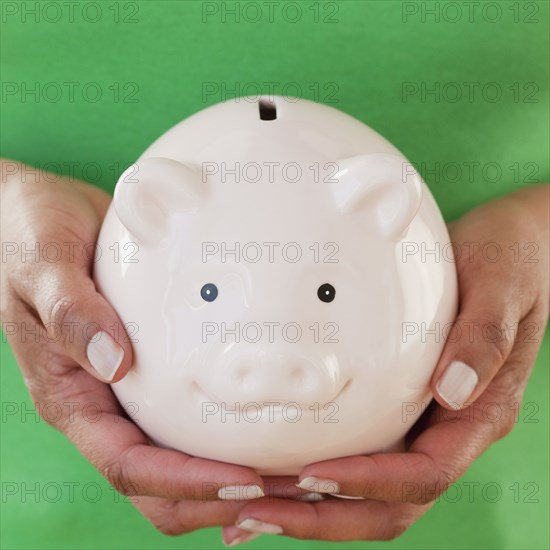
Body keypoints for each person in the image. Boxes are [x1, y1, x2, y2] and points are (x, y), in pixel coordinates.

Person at [1, 158, 548, 546]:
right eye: (209, 292)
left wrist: (536, 232)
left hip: (486, 504)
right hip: (37, 504)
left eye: (325, 292)